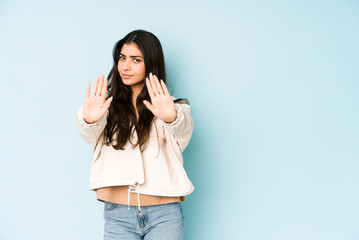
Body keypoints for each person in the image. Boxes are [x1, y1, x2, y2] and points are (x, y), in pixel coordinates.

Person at [75, 29, 194, 240]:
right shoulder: (105, 107)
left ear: (151, 63)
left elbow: (183, 131)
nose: (125, 66)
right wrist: (90, 119)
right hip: (118, 215)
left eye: (136, 60)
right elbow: (89, 134)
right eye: (122, 58)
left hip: (165, 214)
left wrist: (171, 117)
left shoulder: (173, 107)